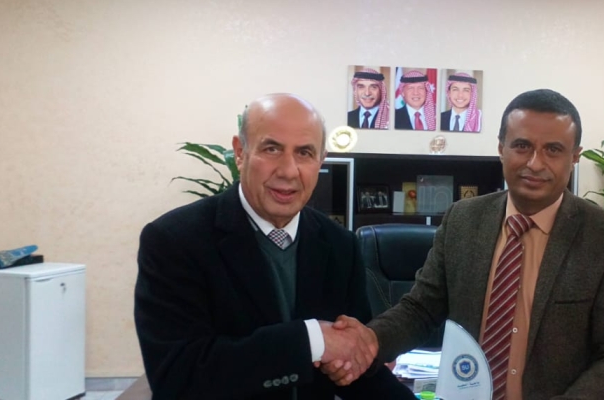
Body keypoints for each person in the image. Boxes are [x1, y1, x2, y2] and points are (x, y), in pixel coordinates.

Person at [326, 89, 604, 399]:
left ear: (575, 157)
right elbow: (421, 310)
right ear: (501, 148)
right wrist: (370, 341)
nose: (535, 163)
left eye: (553, 150)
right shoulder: (463, 220)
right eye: (522, 146)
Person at [134, 93, 414, 400]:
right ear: (240, 153)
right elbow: (178, 377)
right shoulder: (174, 241)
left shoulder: (340, 244)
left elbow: (353, 367)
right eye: (272, 149)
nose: (288, 171)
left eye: (304, 153)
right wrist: (312, 340)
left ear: (320, 161)